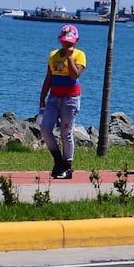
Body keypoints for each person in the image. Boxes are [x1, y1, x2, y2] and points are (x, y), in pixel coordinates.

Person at [38, 24, 86, 179]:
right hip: (54, 98)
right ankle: (58, 160)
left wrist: (69, 57)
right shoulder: (53, 55)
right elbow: (49, 78)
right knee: (45, 128)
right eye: (65, 41)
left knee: (66, 132)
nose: (68, 44)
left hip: (70, 99)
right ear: (60, 40)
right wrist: (42, 98)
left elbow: (74, 75)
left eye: (71, 42)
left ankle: (67, 166)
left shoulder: (80, 55)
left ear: (76, 41)